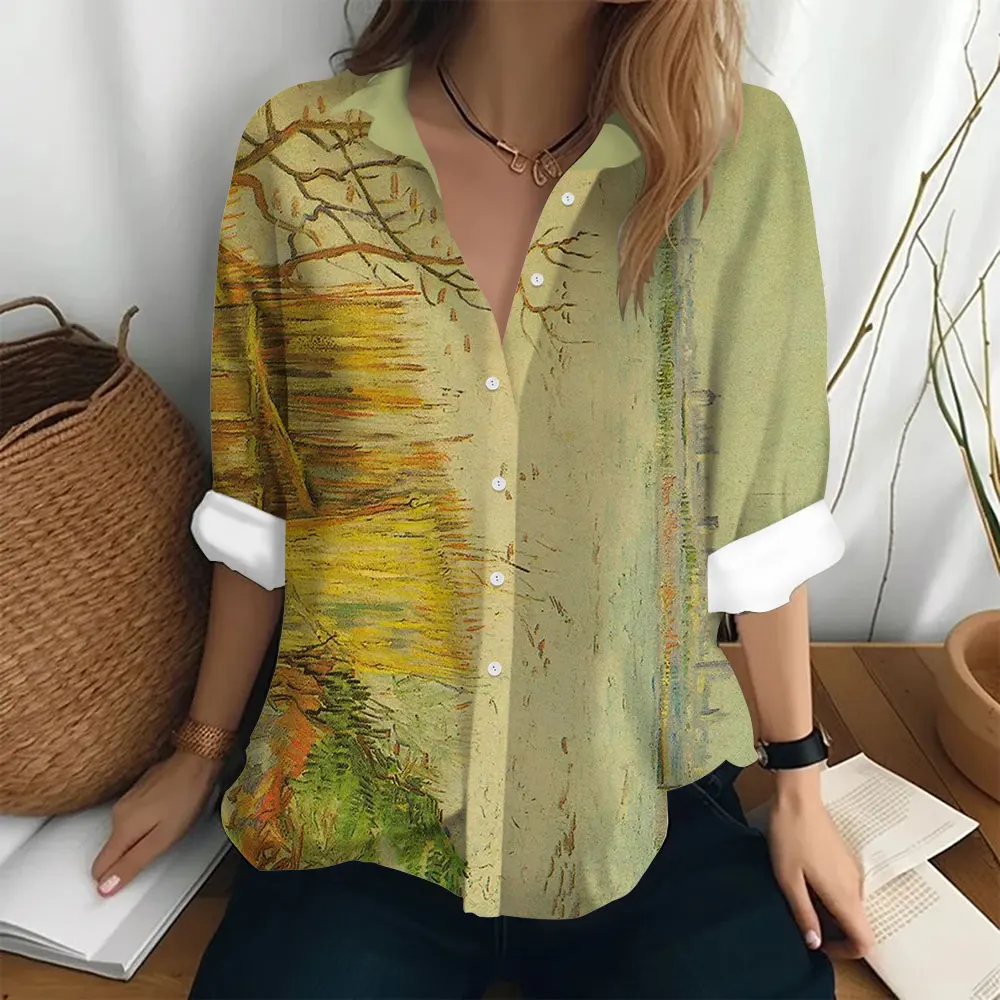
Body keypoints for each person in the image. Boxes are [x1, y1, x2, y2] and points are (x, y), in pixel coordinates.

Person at [91, 1, 877, 996]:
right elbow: (264, 501)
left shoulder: (733, 158)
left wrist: (799, 789)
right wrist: (200, 752)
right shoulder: (301, 157)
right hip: (364, 802)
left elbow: (761, 514)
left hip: (639, 798)